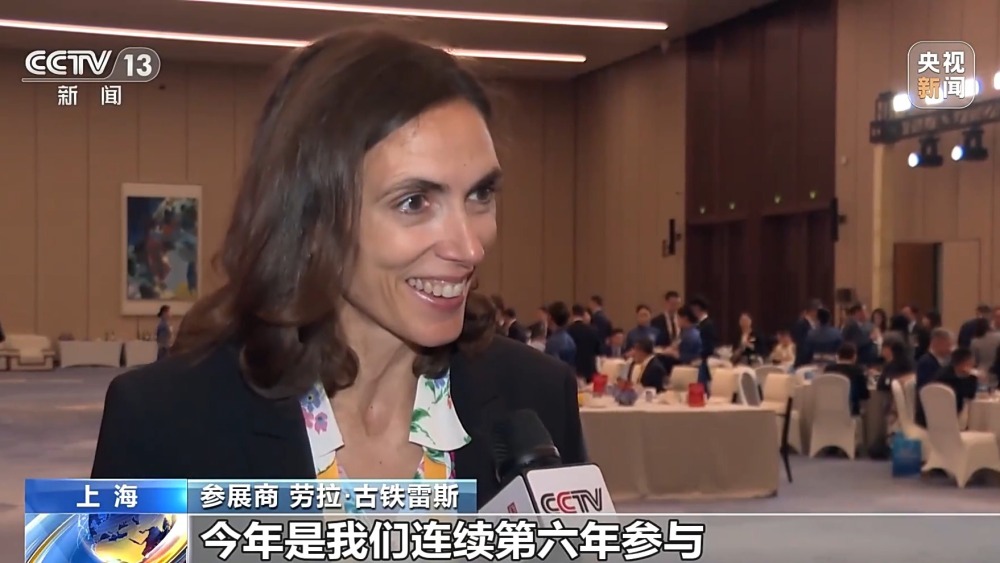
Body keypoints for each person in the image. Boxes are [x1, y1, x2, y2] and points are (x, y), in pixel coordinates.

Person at [90, 30, 585, 501]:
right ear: (311, 218)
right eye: (414, 202)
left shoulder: (537, 395)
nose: (470, 247)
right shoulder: (163, 421)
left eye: (480, 194)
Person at [823, 343, 870, 416]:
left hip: (827, 410)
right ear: (854, 356)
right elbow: (864, 395)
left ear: (838, 356)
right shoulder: (857, 371)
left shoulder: (828, 369)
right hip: (851, 412)